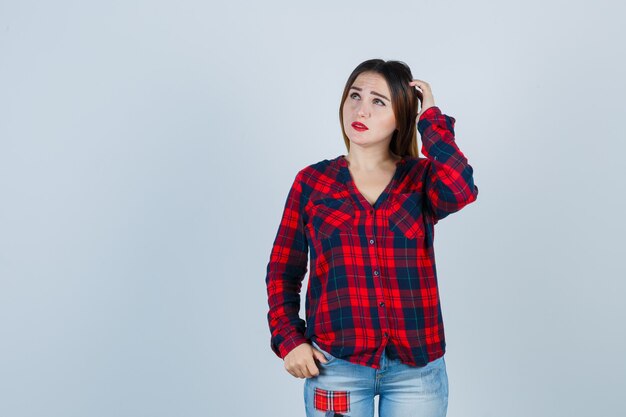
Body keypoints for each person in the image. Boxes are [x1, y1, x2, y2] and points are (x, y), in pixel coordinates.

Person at [265, 58, 479, 417]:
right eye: (354, 96)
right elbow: (283, 271)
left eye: (379, 101)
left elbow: (460, 188)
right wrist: (289, 341)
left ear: (402, 115)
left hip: (417, 372)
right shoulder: (312, 183)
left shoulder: (421, 179)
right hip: (336, 368)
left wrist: (432, 119)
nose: (360, 109)